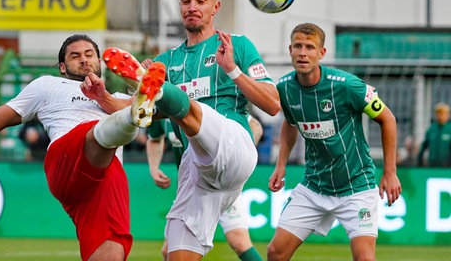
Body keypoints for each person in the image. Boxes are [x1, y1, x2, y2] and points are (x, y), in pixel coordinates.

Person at [0, 34, 166, 261]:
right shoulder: (47, 86)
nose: (83, 59)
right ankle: (135, 110)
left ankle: (138, 108)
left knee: (113, 249)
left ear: (99, 60)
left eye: (89, 54)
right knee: (105, 128)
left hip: (105, 178)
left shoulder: (112, 96)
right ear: (62, 66)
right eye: (75, 56)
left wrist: (104, 97)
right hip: (66, 160)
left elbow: (159, 116)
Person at [103, 0, 280, 261]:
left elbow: (273, 104)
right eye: (185, 0)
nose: (192, 7)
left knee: (188, 106)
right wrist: (102, 96)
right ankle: (152, 90)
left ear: (216, 7)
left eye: (201, 0)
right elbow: (126, 111)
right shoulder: (167, 61)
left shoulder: (237, 46)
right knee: (177, 251)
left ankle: (156, 90)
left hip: (233, 146)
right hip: (195, 171)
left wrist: (233, 70)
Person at [266, 23, 402, 261]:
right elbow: (290, 122)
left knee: (365, 258)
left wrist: (390, 172)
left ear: (322, 53)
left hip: (356, 186)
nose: (303, 52)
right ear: (290, 49)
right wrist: (281, 164)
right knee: (276, 253)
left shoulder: (347, 85)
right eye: (298, 46)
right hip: (314, 186)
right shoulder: (284, 88)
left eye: (310, 47)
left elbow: (388, 119)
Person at [146, 117, 264, 261]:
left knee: (239, 241)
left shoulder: (205, 103)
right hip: (189, 189)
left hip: (220, 184)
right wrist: (153, 168)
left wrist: (238, 161)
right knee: (168, 251)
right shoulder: (165, 110)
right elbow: (155, 139)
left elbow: (255, 125)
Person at [416, 102, 451, 167]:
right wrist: (419, 162)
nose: (441, 116)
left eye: (443, 113)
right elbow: (424, 146)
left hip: (447, 165)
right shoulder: (431, 129)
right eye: (438, 113)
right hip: (432, 164)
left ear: (448, 115)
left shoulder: (449, 129)